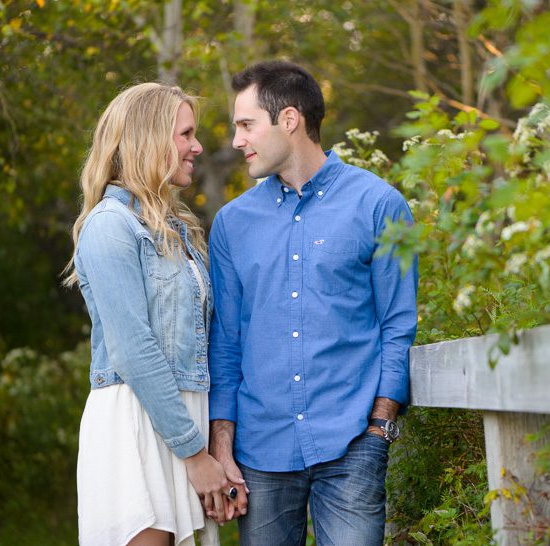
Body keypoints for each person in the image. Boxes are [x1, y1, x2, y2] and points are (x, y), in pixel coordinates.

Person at [207, 60, 419, 545]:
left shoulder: (379, 206)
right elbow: (227, 342)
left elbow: (397, 323)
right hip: (259, 452)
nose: (238, 141)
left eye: (246, 125)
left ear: (289, 120)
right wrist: (223, 444)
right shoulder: (231, 224)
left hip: (351, 446)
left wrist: (379, 428)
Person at [63, 82, 239, 546]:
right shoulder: (110, 226)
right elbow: (134, 349)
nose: (197, 146)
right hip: (137, 426)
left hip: (179, 426)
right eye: (185, 134)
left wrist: (206, 449)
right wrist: (194, 454)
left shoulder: (177, 229)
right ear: (149, 140)